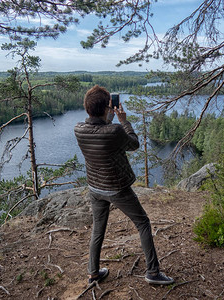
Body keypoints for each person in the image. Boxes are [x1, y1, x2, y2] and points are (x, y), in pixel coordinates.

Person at [74, 85, 174, 285]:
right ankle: (152, 273)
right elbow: (133, 144)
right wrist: (123, 120)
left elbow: (100, 128)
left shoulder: (79, 130)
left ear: (87, 109)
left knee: (98, 229)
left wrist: (108, 116)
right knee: (143, 223)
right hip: (116, 188)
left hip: (95, 188)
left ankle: (93, 273)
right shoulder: (115, 131)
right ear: (107, 109)